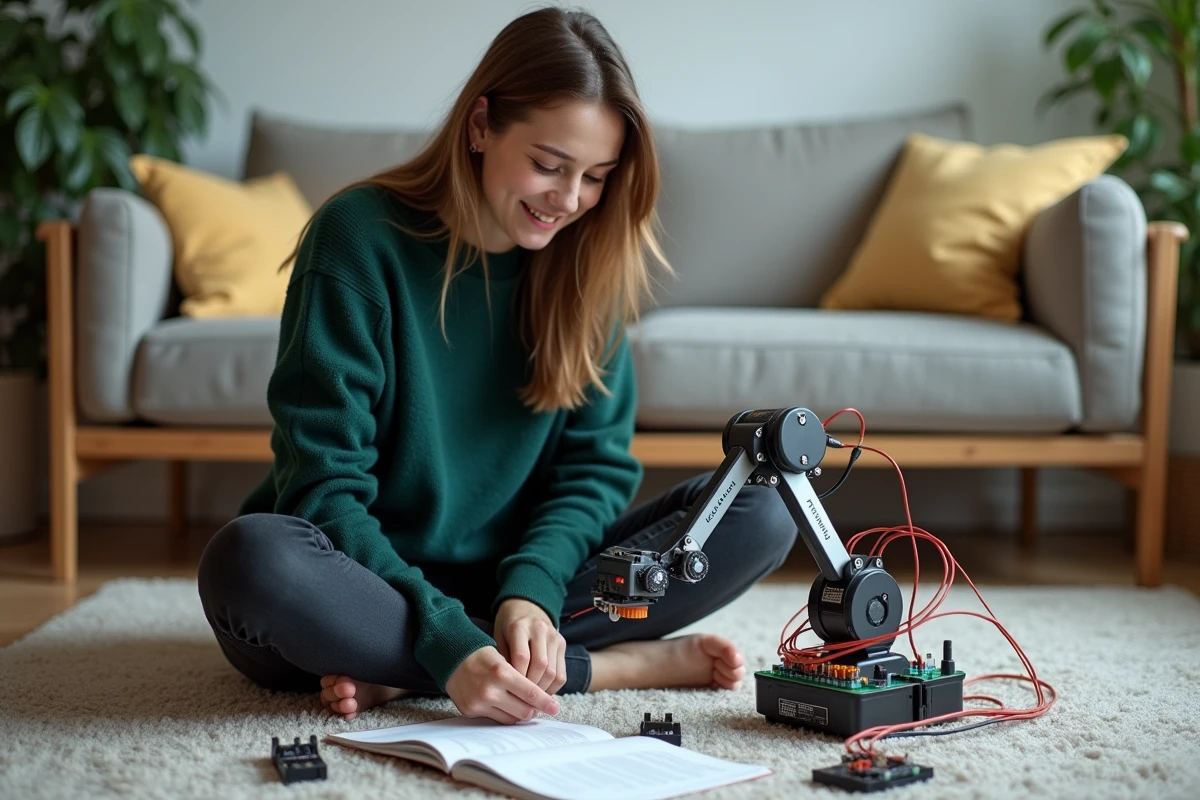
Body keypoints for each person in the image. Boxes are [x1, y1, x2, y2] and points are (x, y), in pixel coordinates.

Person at [197, 6, 796, 725]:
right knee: (250, 563)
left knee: (765, 506)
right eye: (549, 165)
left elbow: (591, 473)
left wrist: (533, 591)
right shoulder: (357, 238)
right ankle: (584, 669)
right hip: (359, 584)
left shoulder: (585, 263)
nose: (569, 200)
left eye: (596, 177)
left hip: (519, 588)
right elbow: (322, 487)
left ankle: (422, 669)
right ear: (480, 126)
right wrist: (442, 631)